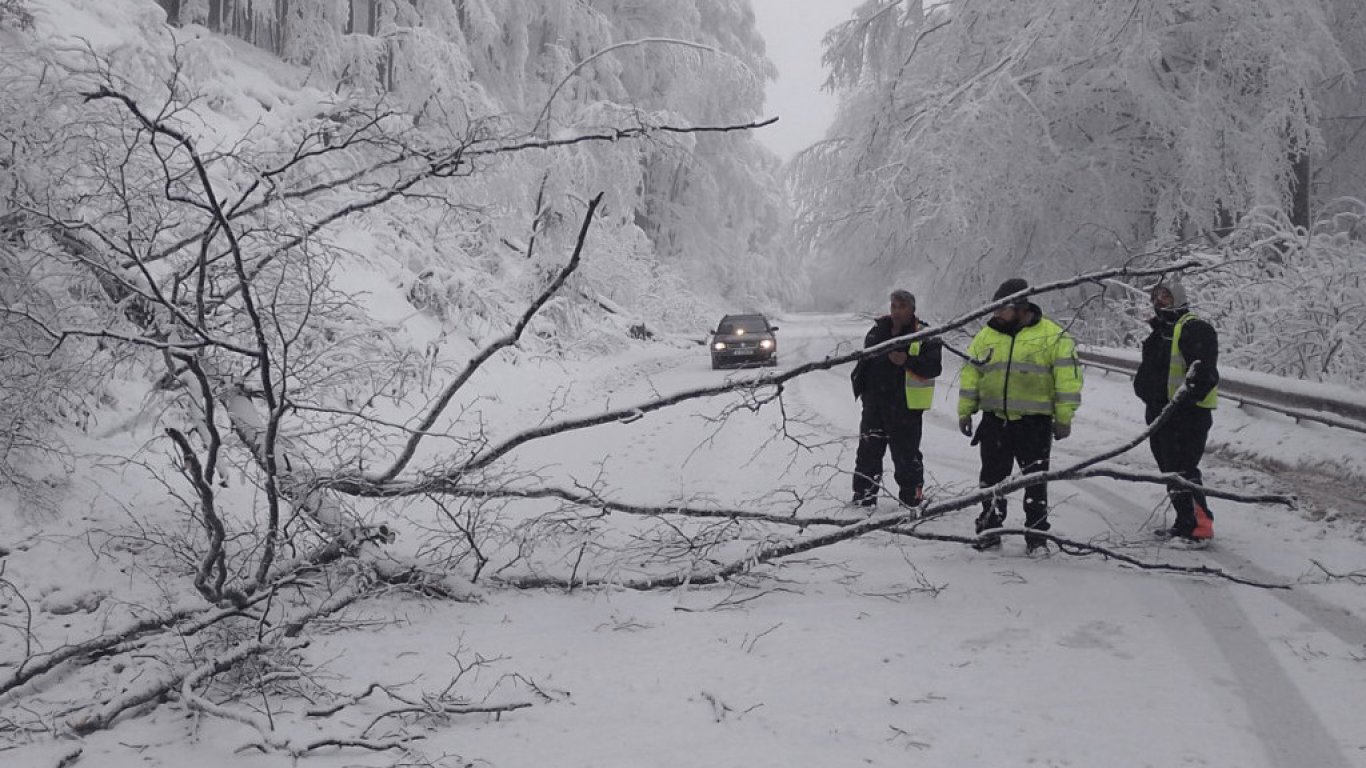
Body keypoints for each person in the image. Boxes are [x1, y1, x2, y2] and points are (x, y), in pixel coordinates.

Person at [958, 278, 1082, 552]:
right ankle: (990, 528)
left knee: (1035, 482)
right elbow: (971, 375)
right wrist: (966, 411)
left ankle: (1036, 535)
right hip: (994, 422)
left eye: (1002, 308)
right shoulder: (986, 335)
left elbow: (1068, 380)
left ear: (1021, 307)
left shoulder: (1052, 336)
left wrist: (1064, 417)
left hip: (1034, 424)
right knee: (990, 481)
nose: (996, 314)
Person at [1132, 276, 1218, 545]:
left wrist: (1185, 402)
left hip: (1186, 415)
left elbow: (1203, 372)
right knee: (1170, 469)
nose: (1159, 301)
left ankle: (1199, 527)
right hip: (1160, 413)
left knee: (1183, 469)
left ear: (1178, 298)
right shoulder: (1161, 331)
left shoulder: (1193, 328)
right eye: (1156, 296)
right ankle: (1185, 522)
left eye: (1166, 296)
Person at [851, 289, 943, 508]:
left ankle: (912, 499)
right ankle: (863, 497)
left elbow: (933, 367)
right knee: (867, 454)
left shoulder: (924, 333)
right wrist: (862, 388)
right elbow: (866, 362)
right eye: (893, 306)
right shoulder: (877, 331)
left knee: (906, 457)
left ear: (912, 309)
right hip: (874, 405)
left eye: (902, 307)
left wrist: (907, 361)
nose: (896, 311)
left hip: (905, 408)